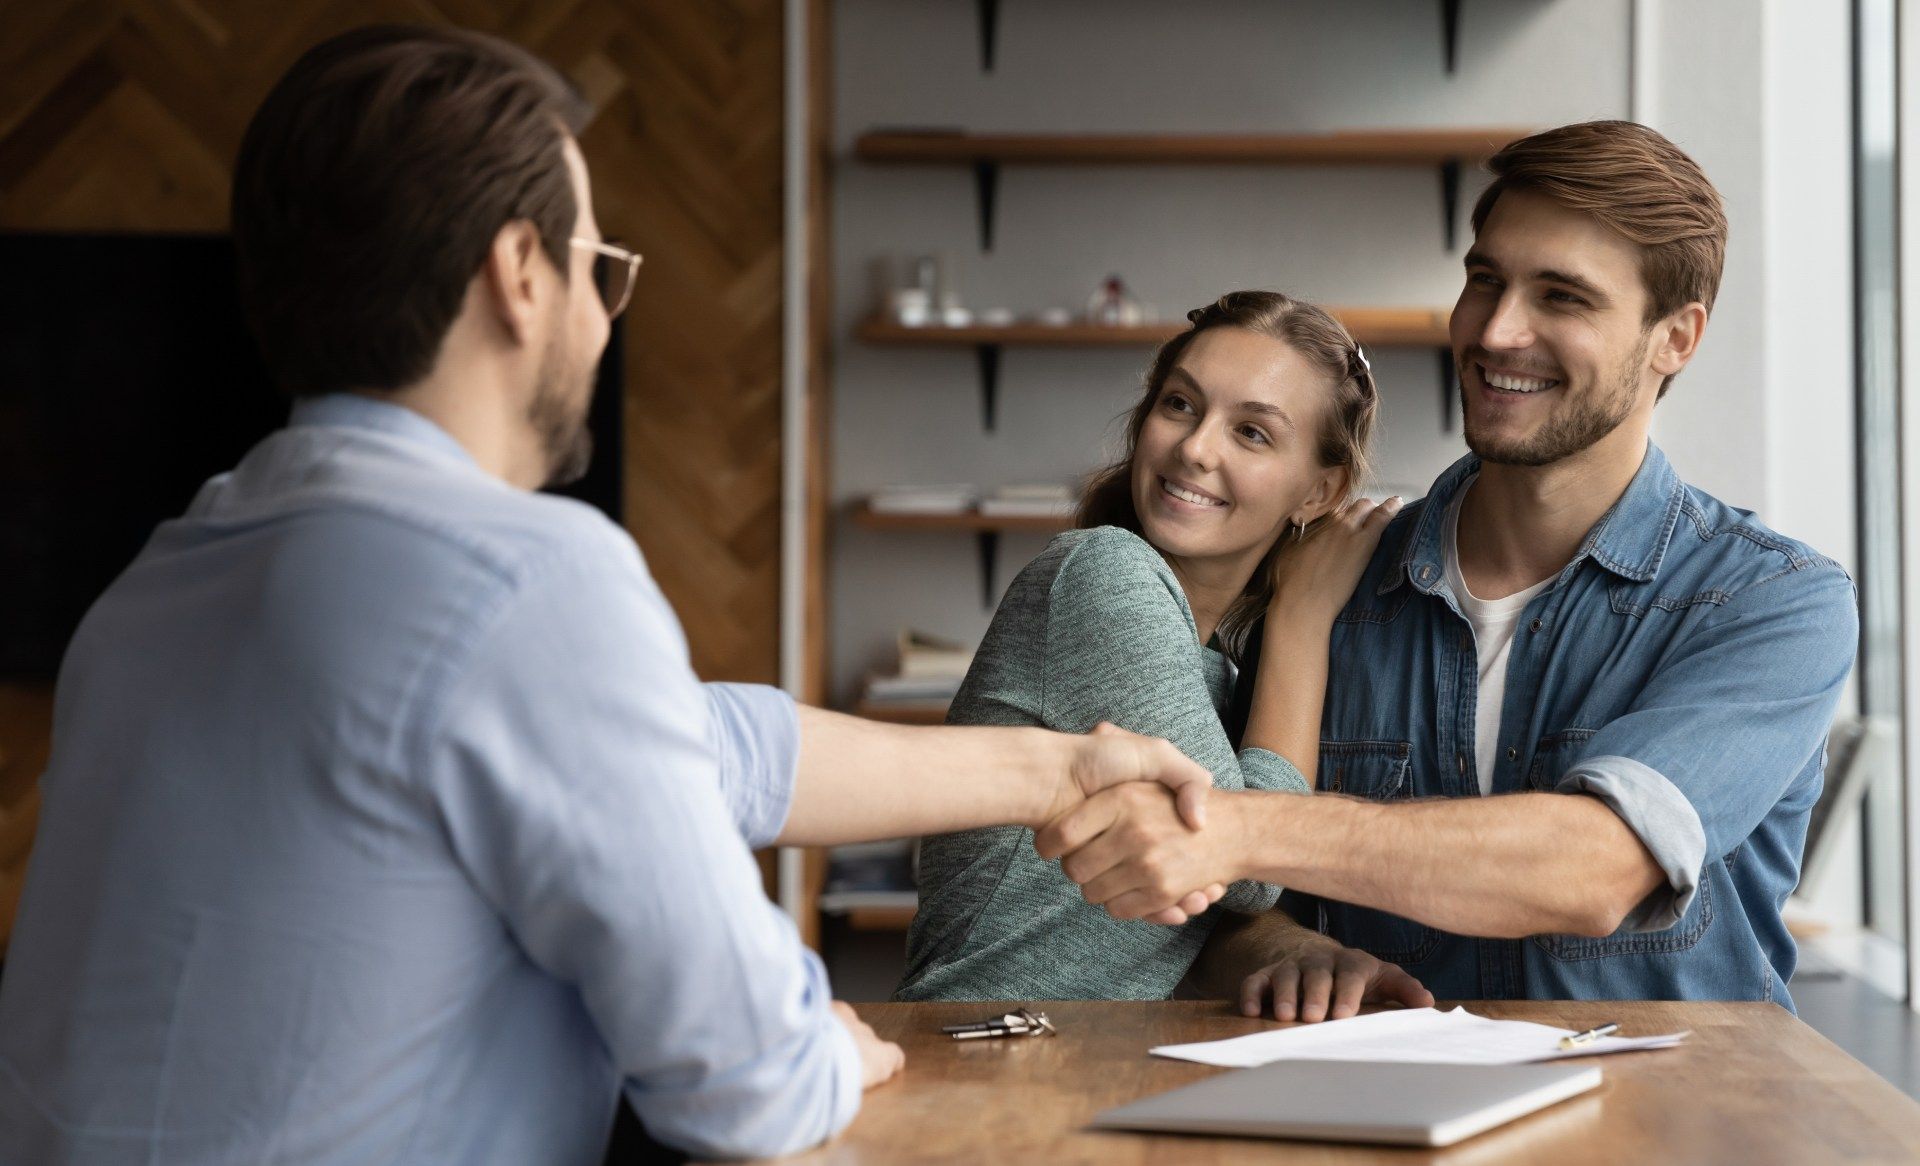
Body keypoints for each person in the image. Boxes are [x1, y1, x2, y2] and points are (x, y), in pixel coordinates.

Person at [0, 27, 1226, 1165]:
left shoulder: (163, 581)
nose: (603, 315)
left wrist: (1060, 771)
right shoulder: (522, 576)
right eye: (603, 267)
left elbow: (703, 746)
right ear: (521, 272)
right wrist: (817, 1049)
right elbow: (742, 1083)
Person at [1043, 120, 1859, 1016]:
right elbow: (1217, 912)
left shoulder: (1773, 602)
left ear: (1676, 338)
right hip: (1385, 1134)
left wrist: (1232, 832)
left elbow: (1591, 869)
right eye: (1485, 281)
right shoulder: (1324, 582)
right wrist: (1287, 948)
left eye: (1562, 297)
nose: (1499, 331)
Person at [898, 292, 1423, 1004]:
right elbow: (1245, 863)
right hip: (975, 1065)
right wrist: (1305, 614)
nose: (1195, 448)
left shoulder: (1228, 670)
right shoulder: (1100, 575)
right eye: (1180, 405)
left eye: (1252, 433)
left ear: (1317, 492)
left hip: (1088, 1066)